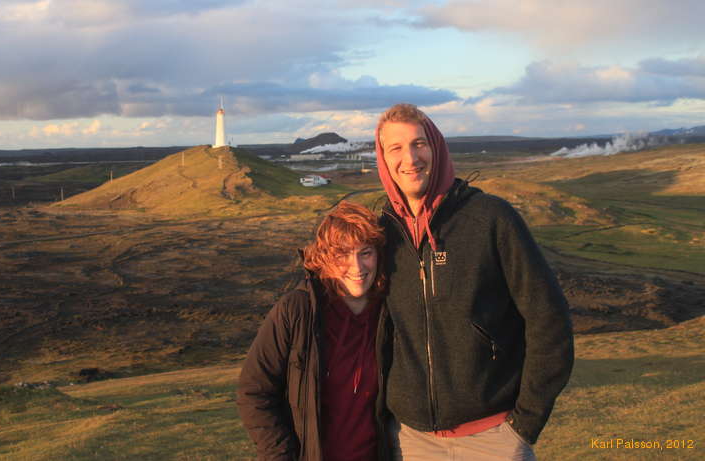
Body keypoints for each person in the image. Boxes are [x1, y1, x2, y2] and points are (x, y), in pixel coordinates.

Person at [374, 104, 574, 460]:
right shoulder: (383, 233)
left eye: (419, 143)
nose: (410, 157)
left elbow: (549, 319)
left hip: (493, 437)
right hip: (410, 442)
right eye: (396, 148)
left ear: (436, 147)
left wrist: (525, 422)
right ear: (383, 158)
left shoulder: (490, 218)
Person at [237, 201, 389, 460]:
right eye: (342, 254)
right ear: (325, 257)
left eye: (365, 253)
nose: (357, 267)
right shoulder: (297, 310)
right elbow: (254, 391)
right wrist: (281, 455)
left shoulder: (389, 313)